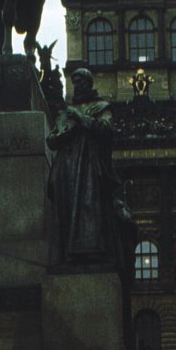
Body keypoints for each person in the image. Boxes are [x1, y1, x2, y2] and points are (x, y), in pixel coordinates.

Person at [47, 68, 123, 266]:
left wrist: (80, 119)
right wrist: (64, 133)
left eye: (81, 83)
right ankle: (65, 255)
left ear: (89, 84)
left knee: (89, 211)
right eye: (75, 83)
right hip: (67, 169)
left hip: (88, 169)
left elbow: (106, 129)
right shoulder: (66, 111)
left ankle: (91, 252)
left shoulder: (101, 107)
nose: (77, 87)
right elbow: (52, 140)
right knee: (66, 213)